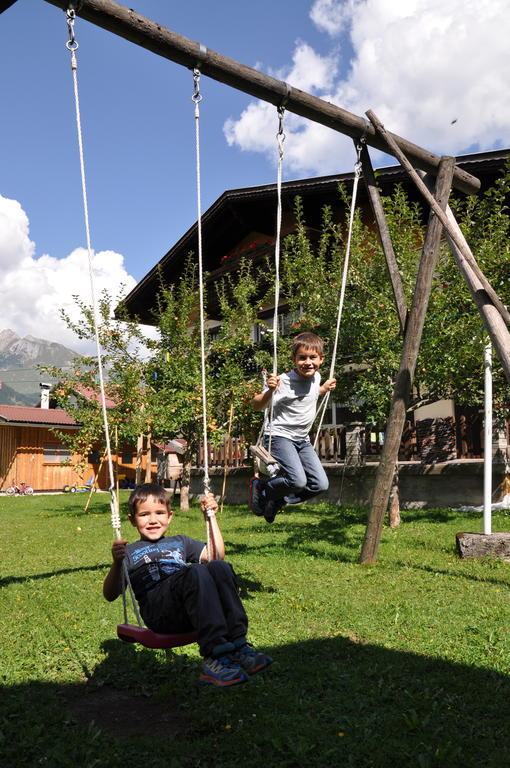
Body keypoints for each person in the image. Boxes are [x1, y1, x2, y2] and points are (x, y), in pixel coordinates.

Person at [103, 483, 272, 687]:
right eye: (144, 514)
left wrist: (211, 519)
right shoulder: (129, 552)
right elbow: (110, 594)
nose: (153, 520)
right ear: (132, 520)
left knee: (219, 566)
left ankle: (238, 645)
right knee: (196, 570)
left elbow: (216, 555)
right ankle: (214, 656)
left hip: (191, 608)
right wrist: (117, 563)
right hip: (160, 613)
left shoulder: (180, 541)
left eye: (159, 513)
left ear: (170, 516)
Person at [250, 331, 336, 523]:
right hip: (280, 436)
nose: (308, 362)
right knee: (297, 480)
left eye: (313, 357)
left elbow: (309, 395)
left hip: (302, 439)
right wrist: (270, 391)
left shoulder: (316, 377)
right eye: (302, 358)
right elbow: (256, 405)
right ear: (294, 359)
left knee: (320, 484)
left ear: (321, 359)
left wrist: (323, 389)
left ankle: (277, 499)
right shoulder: (283, 382)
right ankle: (262, 489)